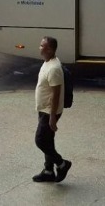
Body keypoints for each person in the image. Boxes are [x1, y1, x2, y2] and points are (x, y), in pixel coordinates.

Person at [32, 36, 71, 183]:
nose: (40, 48)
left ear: (49, 49)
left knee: (40, 140)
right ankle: (48, 171)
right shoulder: (48, 62)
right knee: (48, 141)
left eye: (42, 46)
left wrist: (52, 117)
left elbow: (56, 94)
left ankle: (62, 164)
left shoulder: (54, 68)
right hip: (44, 109)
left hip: (49, 111)